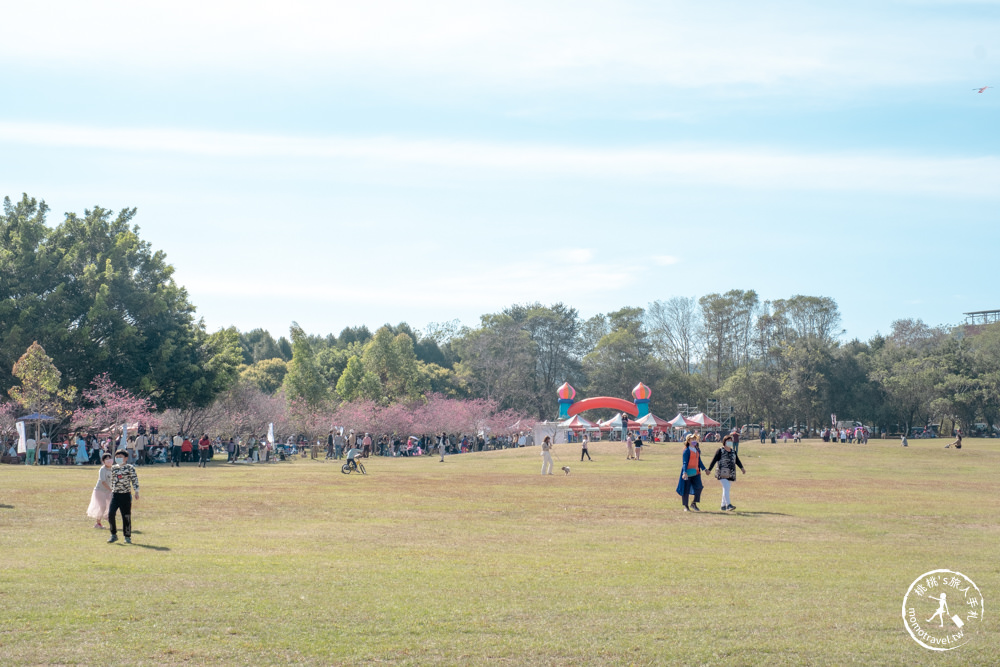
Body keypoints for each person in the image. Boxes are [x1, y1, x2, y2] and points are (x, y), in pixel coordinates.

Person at [706, 434, 746, 511]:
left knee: (726, 489)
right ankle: (729, 505)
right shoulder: (720, 450)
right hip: (722, 473)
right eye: (728, 441)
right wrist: (709, 470)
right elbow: (714, 460)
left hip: (731, 473)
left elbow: (737, 460)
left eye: (731, 441)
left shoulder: (733, 451)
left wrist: (742, 468)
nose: (730, 442)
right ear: (724, 442)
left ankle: (723, 505)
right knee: (726, 487)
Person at [107, 450, 139, 544]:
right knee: (111, 514)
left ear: (125, 458)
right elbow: (112, 480)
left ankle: (127, 536)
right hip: (115, 494)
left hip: (125, 495)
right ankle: (113, 534)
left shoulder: (130, 468)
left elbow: (134, 479)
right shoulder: (113, 468)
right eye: (117, 457)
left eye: (120, 457)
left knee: (126, 516)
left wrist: (136, 491)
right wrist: (111, 490)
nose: (118, 458)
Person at [676, 434, 706, 512]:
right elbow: (685, 462)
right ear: (688, 441)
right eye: (692, 439)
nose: (694, 441)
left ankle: (694, 503)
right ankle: (686, 506)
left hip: (696, 472)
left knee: (699, 487)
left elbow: (699, 461)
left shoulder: (697, 450)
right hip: (687, 472)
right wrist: (684, 472)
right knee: (686, 489)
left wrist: (704, 469)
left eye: (695, 439)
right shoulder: (686, 450)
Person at [87, 452, 114, 528]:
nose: (109, 461)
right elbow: (103, 481)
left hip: (109, 491)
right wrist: (110, 489)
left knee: (110, 506)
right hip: (100, 490)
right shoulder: (102, 469)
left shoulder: (113, 469)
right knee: (102, 506)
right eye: (106, 459)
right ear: (103, 461)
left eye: (110, 458)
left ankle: (108, 518)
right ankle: (98, 523)